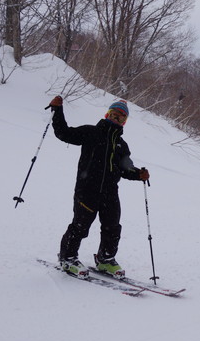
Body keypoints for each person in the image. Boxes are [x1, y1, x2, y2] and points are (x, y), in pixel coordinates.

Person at [48, 96, 150, 279]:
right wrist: (57, 111)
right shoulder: (91, 132)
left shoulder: (121, 145)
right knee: (80, 226)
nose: (116, 119)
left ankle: (106, 259)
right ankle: (68, 258)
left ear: (125, 122)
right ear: (107, 114)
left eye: (120, 118)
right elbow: (64, 133)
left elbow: (126, 168)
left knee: (112, 226)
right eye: (113, 115)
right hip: (87, 189)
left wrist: (138, 174)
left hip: (110, 192)